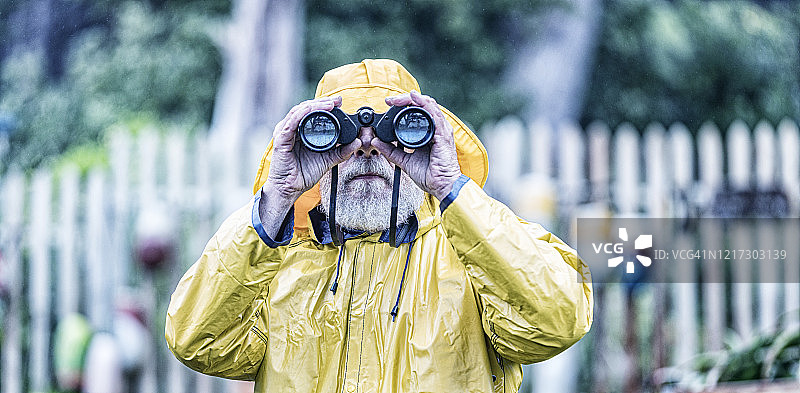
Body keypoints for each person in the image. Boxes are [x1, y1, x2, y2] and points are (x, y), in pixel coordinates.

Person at [165, 59, 593, 393]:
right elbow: (196, 339)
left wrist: (448, 187)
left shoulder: (474, 255)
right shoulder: (274, 263)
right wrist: (276, 198)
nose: (368, 151)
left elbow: (557, 319)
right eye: (343, 138)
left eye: (393, 133)